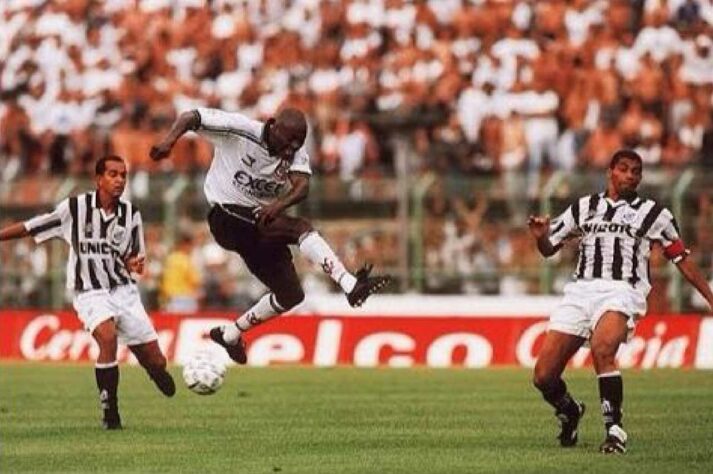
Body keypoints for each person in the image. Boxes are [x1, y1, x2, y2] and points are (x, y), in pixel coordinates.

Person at [150, 107, 390, 364]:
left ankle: (230, 334)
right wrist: (168, 142)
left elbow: (302, 186)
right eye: (287, 142)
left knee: (291, 295)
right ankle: (349, 284)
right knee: (299, 227)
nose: (289, 150)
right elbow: (191, 117)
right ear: (272, 125)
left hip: (259, 225)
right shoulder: (239, 130)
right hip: (226, 216)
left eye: (296, 145)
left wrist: (277, 206)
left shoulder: (295, 150)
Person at [527, 149, 713, 454]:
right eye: (624, 169)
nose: (630, 176)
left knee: (603, 348)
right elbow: (549, 249)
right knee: (543, 375)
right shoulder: (584, 207)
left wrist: (709, 297)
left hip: (622, 290)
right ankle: (570, 411)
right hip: (581, 290)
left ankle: (615, 431)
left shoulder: (656, 215)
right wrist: (539, 237)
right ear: (610, 171)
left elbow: (681, 257)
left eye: (636, 171)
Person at [0, 156, 175, 430]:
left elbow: (134, 257)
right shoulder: (74, 209)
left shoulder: (131, 214)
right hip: (90, 291)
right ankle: (110, 411)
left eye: (123, 175)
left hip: (124, 291)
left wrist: (133, 262)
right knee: (107, 336)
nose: (119, 180)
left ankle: (152, 369)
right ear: (99, 179)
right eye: (113, 174)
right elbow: (32, 226)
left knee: (156, 360)